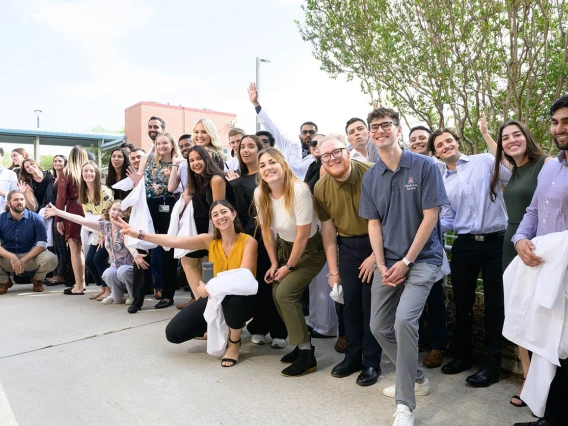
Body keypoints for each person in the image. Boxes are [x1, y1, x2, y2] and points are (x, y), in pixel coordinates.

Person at [359, 107, 448, 426]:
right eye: (374, 127)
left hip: (422, 260)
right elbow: (373, 223)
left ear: (398, 129)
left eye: (385, 125)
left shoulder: (425, 166)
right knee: (378, 326)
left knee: (404, 322)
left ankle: (405, 405)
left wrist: (407, 261)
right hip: (389, 261)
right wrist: (381, 263)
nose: (380, 130)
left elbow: (431, 216)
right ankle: (418, 378)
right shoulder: (370, 176)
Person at [117, 200, 258, 367]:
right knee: (174, 334)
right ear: (212, 221)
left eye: (224, 212)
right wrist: (139, 234)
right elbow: (174, 240)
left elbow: (243, 278)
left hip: (242, 300)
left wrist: (209, 287)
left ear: (233, 214)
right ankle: (215, 329)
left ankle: (234, 342)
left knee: (233, 299)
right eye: (215, 215)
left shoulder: (248, 241)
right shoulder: (209, 240)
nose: (220, 217)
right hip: (215, 298)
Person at [430, 127, 511, 387]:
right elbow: (449, 217)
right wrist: (424, 231)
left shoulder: (483, 160)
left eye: (449, 141)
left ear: (457, 142)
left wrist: (489, 136)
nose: (446, 146)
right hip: (465, 245)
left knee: (495, 305)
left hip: (495, 243)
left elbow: (509, 175)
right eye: (440, 144)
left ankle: (492, 364)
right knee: (462, 303)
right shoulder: (441, 180)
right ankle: (463, 356)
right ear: (436, 152)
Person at [481, 115, 551, 407]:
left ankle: (549, 386)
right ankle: (527, 380)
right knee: (518, 313)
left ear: (527, 136)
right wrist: (486, 133)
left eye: (516, 135)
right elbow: (501, 153)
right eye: (505, 138)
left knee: (542, 317)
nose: (511, 141)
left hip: (540, 245)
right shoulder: (512, 169)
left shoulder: (548, 164)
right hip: (511, 245)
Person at [510, 94, 568, 426]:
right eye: (555, 121)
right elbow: (532, 212)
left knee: (563, 351)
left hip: (565, 276)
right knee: (546, 347)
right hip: (541, 272)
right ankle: (550, 417)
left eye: (566, 121)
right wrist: (520, 239)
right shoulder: (551, 167)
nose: (559, 128)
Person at [314, 133, 382, 387]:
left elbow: (389, 219)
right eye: (325, 156)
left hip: (378, 244)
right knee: (349, 305)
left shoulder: (372, 173)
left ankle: (371, 362)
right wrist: (333, 270)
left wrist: (375, 256)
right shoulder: (320, 188)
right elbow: (329, 231)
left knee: (370, 305)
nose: (332, 159)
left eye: (336, 152)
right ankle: (352, 357)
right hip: (349, 247)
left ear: (348, 150)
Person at [255, 148, 326, 377]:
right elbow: (266, 232)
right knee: (276, 291)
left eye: (272, 162)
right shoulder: (260, 193)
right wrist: (275, 264)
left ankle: (307, 354)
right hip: (285, 248)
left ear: (283, 164)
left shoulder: (299, 190)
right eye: (263, 164)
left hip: (311, 249)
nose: (268, 168)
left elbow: (303, 236)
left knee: (285, 293)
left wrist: (288, 267)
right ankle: (301, 344)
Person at [229, 135, 288, 348]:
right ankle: (258, 327)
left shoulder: (269, 177)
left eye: (251, 146)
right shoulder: (235, 182)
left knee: (277, 285)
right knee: (258, 286)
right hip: (251, 239)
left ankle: (280, 331)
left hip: (276, 237)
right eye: (242, 146)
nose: (245, 150)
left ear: (259, 149)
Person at [407, 125, 448, 369]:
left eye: (422, 138)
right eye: (413, 139)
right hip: (408, 246)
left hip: (431, 246)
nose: (417, 142)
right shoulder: (406, 169)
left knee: (434, 298)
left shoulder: (438, 167)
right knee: (414, 298)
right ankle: (421, 341)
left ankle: (437, 345)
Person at [175, 145, 236, 310]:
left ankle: (207, 311)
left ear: (207, 159)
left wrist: (219, 241)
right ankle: (204, 310)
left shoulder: (216, 179)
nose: (195, 163)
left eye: (199, 158)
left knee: (197, 268)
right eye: (192, 160)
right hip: (198, 229)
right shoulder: (198, 180)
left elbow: (219, 211)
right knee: (193, 267)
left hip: (211, 234)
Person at [45, 200, 137, 306]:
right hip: (115, 267)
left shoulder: (127, 228)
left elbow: (131, 246)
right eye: (114, 209)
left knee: (122, 270)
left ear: (125, 214)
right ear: (108, 211)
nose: (116, 213)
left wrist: (136, 255)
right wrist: (58, 212)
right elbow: (81, 220)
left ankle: (133, 294)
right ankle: (117, 295)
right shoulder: (106, 226)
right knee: (108, 273)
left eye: (120, 211)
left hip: (129, 268)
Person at [129, 132, 182, 308]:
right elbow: (139, 179)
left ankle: (167, 295)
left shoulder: (178, 162)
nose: (161, 147)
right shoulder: (149, 159)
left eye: (165, 143)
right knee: (142, 247)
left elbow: (172, 187)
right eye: (158, 143)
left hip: (167, 207)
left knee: (167, 249)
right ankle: (138, 300)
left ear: (172, 144)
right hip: (147, 206)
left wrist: (174, 166)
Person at [248, 82, 316, 180]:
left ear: (317, 135)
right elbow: (271, 127)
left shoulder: (322, 152)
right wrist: (255, 103)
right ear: (299, 135)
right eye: (304, 132)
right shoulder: (289, 146)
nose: (308, 135)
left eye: (311, 132)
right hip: (291, 189)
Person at [0, 190, 58, 295]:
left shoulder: (36, 218)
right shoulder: (1, 219)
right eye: (16, 200)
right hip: (8, 259)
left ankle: (37, 280)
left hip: (30, 257)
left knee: (51, 259)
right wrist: (12, 257)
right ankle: (4, 282)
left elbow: (42, 244)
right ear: (8, 203)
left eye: (22, 199)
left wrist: (23, 260)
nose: (20, 202)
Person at [56, 145, 89, 295]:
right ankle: (85, 284)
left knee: (75, 250)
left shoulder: (66, 172)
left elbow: (61, 197)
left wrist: (58, 218)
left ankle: (79, 285)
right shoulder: (90, 170)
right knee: (87, 248)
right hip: (89, 210)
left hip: (73, 210)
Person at [79, 161, 114, 301]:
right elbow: (88, 215)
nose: (88, 174)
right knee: (89, 261)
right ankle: (103, 288)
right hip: (95, 231)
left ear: (97, 173)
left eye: (91, 171)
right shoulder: (84, 193)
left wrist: (102, 235)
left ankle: (110, 289)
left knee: (98, 259)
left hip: (109, 231)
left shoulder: (104, 190)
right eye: (85, 171)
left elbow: (107, 215)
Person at [43, 155, 69, 286]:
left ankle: (61, 274)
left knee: (60, 246)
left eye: (60, 161)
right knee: (52, 246)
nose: (57, 163)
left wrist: (52, 207)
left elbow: (63, 198)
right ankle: (54, 273)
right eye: (55, 161)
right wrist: (45, 208)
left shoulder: (66, 180)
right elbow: (46, 198)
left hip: (60, 217)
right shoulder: (52, 180)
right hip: (49, 217)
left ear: (65, 163)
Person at [0, 147, 18, 212]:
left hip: (3, 212)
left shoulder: (11, 174)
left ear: (2, 157)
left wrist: (4, 193)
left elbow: (15, 195)